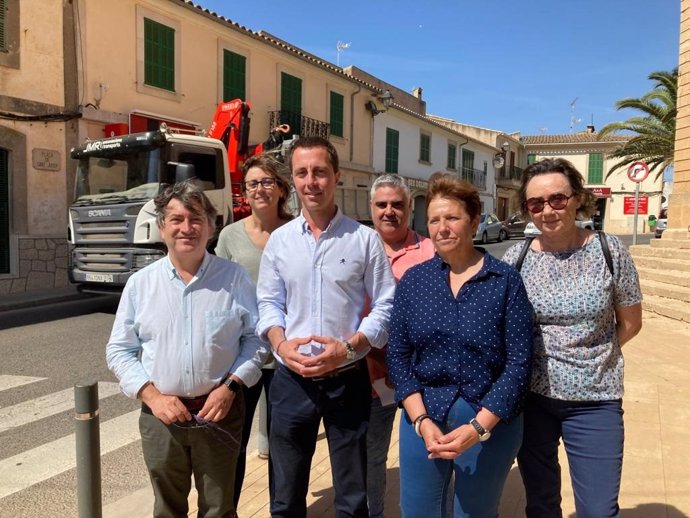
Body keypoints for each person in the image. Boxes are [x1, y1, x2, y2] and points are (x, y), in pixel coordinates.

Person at [106, 180, 267, 518]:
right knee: (167, 508)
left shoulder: (234, 277)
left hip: (220, 412)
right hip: (161, 417)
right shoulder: (141, 284)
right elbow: (119, 350)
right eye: (176, 219)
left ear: (211, 226)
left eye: (196, 218)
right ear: (162, 226)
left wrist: (231, 387)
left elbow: (255, 340)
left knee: (220, 507)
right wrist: (153, 397)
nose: (187, 228)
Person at [256, 136, 396, 518]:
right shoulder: (280, 242)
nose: (311, 181)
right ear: (293, 179)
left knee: (352, 498)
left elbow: (386, 303)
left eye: (320, 172)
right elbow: (268, 303)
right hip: (290, 381)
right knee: (285, 498)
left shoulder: (365, 240)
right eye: (302, 173)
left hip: (347, 378)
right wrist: (281, 346)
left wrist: (349, 348)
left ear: (336, 176)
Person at [387, 172, 533, 518]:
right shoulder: (415, 280)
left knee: (474, 513)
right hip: (423, 417)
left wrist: (478, 428)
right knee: (417, 511)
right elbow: (398, 354)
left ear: (474, 221)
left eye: (452, 218)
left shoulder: (505, 281)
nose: (442, 228)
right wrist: (420, 420)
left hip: (488, 419)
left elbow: (519, 364)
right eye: (434, 220)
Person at [502, 157, 643, 518]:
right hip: (531, 400)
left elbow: (630, 323)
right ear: (527, 209)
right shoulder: (515, 257)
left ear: (577, 198)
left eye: (557, 199)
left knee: (598, 509)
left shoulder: (611, 251)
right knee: (542, 503)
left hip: (596, 400)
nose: (547, 210)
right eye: (536, 203)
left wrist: (590, 357)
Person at [215, 154, 293, 510]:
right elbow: (219, 293)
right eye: (252, 183)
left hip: (287, 355)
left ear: (280, 187)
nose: (259, 189)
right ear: (244, 192)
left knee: (283, 445)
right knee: (233, 444)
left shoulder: (297, 230)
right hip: (242, 355)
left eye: (266, 182)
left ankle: (282, 510)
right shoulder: (230, 236)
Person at [366, 173, 435, 518]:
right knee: (371, 456)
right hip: (370, 376)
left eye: (397, 204)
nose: (389, 211)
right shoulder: (356, 247)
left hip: (420, 378)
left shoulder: (430, 251)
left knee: (431, 453)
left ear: (409, 208)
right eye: (382, 204)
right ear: (372, 208)